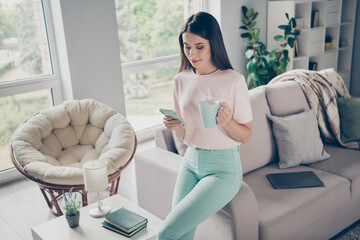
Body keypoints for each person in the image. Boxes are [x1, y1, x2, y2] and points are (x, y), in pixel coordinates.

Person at [158, 11, 253, 240]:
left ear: (214, 43)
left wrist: (227, 122)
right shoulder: (181, 80)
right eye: (187, 47)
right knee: (182, 232)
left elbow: (246, 135)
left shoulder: (234, 80)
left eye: (199, 46)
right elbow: (185, 135)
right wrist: (175, 126)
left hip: (223, 169)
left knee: (166, 233)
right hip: (190, 161)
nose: (192, 54)